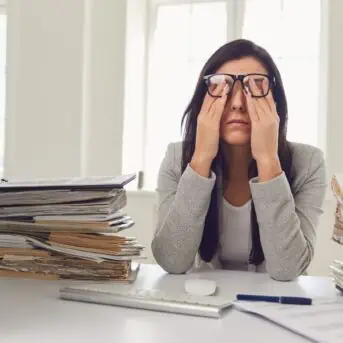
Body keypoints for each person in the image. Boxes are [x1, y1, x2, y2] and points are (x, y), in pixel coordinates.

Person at [151, 39, 327, 281]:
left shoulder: (309, 163)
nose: (236, 104)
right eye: (221, 86)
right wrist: (201, 158)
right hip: (203, 308)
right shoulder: (175, 158)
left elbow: (288, 269)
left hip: (276, 310)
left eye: (255, 87)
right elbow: (171, 260)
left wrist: (268, 159)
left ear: (275, 102)